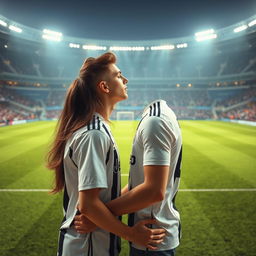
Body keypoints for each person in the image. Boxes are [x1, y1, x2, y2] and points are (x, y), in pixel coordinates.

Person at [47, 52, 166, 256]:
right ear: (104, 87)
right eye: (119, 75)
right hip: (88, 248)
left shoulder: (97, 129)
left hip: (91, 245)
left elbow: (100, 199)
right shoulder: (94, 134)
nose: (125, 79)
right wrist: (131, 234)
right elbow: (89, 205)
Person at [75, 99, 182, 256]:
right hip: (152, 236)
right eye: (118, 75)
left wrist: (97, 216)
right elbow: (137, 185)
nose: (124, 79)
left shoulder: (155, 121)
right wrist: (99, 214)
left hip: (151, 237)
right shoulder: (157, 117)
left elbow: (153, 191)